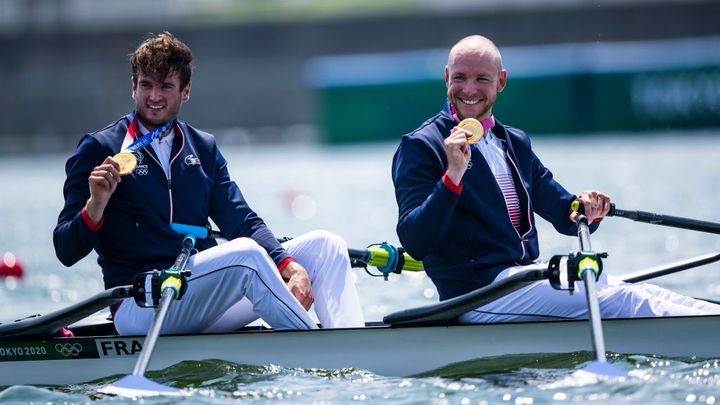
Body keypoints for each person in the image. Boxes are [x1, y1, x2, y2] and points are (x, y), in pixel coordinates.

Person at [391, 35, 720, 323]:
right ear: (447, 77)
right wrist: (452, 177)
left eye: (482, 79)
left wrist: (589, 207)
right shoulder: (422, 146)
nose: (469, 89)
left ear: (501, 81)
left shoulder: (514, 142)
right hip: (477, 294)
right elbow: (416, 241)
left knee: (639, 292)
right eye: (460, 78)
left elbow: (567, 214)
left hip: (523, 280)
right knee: (627, 301)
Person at [54, 32, 364, 335]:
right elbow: (65, 250)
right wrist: (95, 206)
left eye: (166, 86)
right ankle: (318, 351)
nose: (154, 97)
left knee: (326, 246)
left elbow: (241, 220)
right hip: (142, 308)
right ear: (133, 87)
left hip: (202, 293)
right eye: (146, 85)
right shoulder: (100, 148)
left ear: (185, 91)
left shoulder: (203, 148)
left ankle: (353, 347)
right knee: (247, 255)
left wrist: (288, 265)